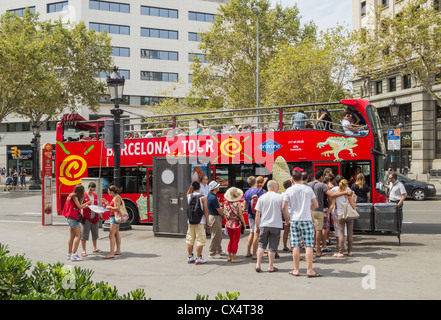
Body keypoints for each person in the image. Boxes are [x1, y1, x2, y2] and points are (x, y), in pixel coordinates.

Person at [282, 170, 321, 277]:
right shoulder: (308, 189)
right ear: (302, 178)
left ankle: (296, 270)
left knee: (295, 245)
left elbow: (284, 206)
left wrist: (288, 218)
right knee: (308, 245)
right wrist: (308, 208)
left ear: (292, 179)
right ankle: (309, 270)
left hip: (294, 220)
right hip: (307, 219)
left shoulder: (289, 190)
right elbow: (316, 205)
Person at [308, 170, 352, 257]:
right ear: (321, 177)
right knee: (318, 230)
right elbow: (331, 195)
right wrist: (345, 192)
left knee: (311, 230)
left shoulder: (308, 185)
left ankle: (311, 247)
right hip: (319, 209)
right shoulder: (322, 185)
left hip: (309, 210)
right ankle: (317, 250)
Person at [254, 180, 284, 273]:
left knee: (261, 244)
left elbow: (257, 214)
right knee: (272, 246)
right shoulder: (279, 197)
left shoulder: (262, 198)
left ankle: (258, 264)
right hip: (276, 225)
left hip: (264, 224)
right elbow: (283, 209)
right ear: (274, 187)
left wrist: (257, 226)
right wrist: (287, 220)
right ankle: (271, 266)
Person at [63, 184, 92, 261]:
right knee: (79, 236)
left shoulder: (70, 195)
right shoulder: (75, 196)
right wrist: (87, 202)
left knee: (72, 237)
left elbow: (74, 206)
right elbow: (79, 206)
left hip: (69, 217)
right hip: (73, 218)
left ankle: (69, 254)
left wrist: (84, 205)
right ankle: (74, 254)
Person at [331, 179, 356, 257]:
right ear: (346, 185)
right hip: (348, 214)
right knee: (350, 233)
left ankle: (340, 252)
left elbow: (332, 203)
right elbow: (353, 205)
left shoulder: (336, 193)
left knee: (341, 233)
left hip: (340, 214)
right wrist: (355, 199)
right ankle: (349, 251)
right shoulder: (349, 193)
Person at [244, 176, 266, 259]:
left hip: (250, 215)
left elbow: (244, 206)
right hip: (258, 214)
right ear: (256, 182)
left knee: (251, 233)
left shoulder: (246, 192)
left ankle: (248, 252)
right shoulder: (259, 191)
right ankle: (254, 254)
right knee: (257, 233)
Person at [224, 187, 246, 263]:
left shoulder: (226, 203)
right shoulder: (237, 203)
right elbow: (240, 214)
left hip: (228, 224)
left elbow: (225, 214)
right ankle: (234, 258)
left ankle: (229, 256)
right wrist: (244, 223)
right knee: (235, 241)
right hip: (236, 224)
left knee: (231, 240)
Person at [80, 182, 102, 257]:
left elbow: (97, 204)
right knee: (84, 234)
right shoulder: (84, 195)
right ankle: (84, 250)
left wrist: (100, 210)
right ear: (88, 187)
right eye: (91, 189)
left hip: (95, 217)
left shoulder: (95, 196)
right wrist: (86, 206)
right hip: (86, 217)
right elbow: (80, 206)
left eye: (93, 190)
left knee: (95, 233)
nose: (92, 191)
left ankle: (95, 247)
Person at [102, 185, 123, 259]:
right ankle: (118, 250)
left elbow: (117, 208)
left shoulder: (116, 197)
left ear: (112, 191)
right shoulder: (116, 197)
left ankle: (111, 253)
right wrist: (107, 203)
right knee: (116, 234)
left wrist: (109, 207)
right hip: (115, 217)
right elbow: (114, 207)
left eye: (108, 190)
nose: (107, 192)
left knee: (111, 235)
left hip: (114, 218)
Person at [207, 181, 225, 258]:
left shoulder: (211, 196)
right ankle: (212, 253)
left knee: (218, 235)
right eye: (217, 186)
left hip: (214, 217)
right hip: (215, 217)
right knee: (215, 236)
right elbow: (219, 209)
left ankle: (219, 250)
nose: (219, 187)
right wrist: (223, 214)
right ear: (214, 188)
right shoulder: (213, 197)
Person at [281, 179, 292, 252]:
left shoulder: (282, 194)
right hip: (292, 213)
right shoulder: (292, 193)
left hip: (285, 213)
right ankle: (292, 247)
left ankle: (285, 246)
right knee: (292, 232)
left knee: (286, 231)